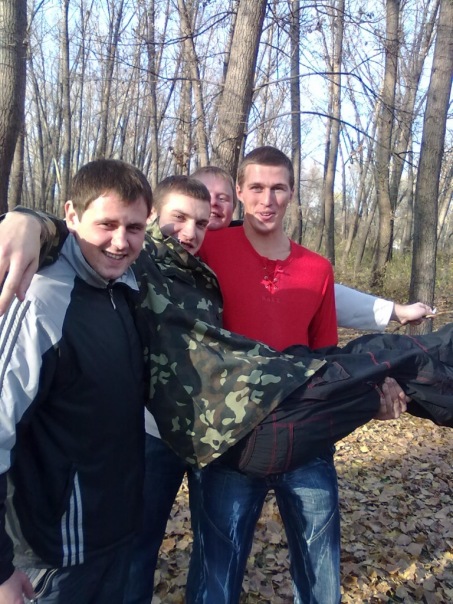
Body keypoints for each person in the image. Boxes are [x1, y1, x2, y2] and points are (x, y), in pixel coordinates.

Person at [0, 178, 447, 604]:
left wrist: (391, 310)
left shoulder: (204, 257)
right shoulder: (138, 256)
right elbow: (90, 230)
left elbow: (315, 285)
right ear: (156, 215)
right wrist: (25, 221)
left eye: (206, 218)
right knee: (147, 551)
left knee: (373, 363)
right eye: (181, 217)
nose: (192, 229)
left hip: (229, 420)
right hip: (164, 434)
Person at [185, 146, 429, 604]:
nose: (267, 200)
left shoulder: (317, 269)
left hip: (306, 438)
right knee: (215, 576)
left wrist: (369, 404)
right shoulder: (208, 251)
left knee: (320, 577)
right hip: (230, 441)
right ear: (239, 192)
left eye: (278, 188)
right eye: (257, 187)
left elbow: (327, 363)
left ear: (293, 193)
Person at [0, 159, 152, 603]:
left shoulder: (125, 285)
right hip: (53, 557)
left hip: (115, 537)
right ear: (71, 215)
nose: (121, 242)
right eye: (107, 224)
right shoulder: (39, 300)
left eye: (134, 228)